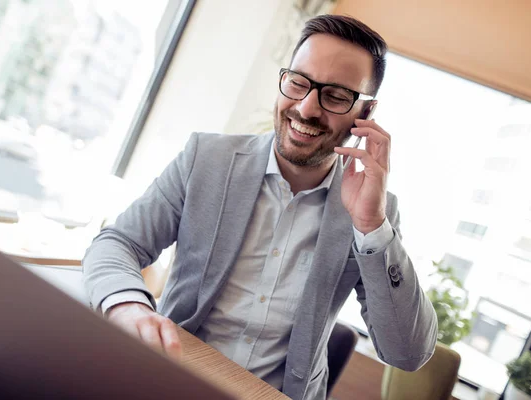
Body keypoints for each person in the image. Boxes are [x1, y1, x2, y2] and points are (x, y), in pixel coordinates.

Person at [83, 14, 437, 400]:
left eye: (335, 96)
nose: (306, 108)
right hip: (171, 378)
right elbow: (116, 243)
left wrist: (371, 225)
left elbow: (408, 353)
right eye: (298, 83)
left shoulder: (374, 213)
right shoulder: (207, 159)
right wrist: (129, 307)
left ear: (365, 113)